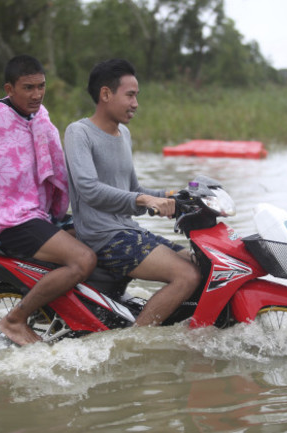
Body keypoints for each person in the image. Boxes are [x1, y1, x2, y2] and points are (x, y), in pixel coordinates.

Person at [64, 58, 201, 327]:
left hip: (129, 231)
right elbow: (89, 189)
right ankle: (137, 343)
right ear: (105, 94)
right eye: (130, 95)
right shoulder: (79, 133)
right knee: (187, 276)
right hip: (103, 238)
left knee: (199, 265)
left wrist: (171, 195)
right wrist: (143, 199)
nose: (136, 103)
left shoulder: (124, 134)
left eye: (136, 96)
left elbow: (133, 191)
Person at [0, 55, 96, 346]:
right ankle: (14, 321)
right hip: (10, 218)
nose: (36, 94)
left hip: (35, 214)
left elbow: (54, 164)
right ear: (9, 88)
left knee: (96, 233)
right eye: (28, 88)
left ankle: (56, 309)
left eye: (41, 86)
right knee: (83, 260)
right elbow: (6, 179)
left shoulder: (38, 116)